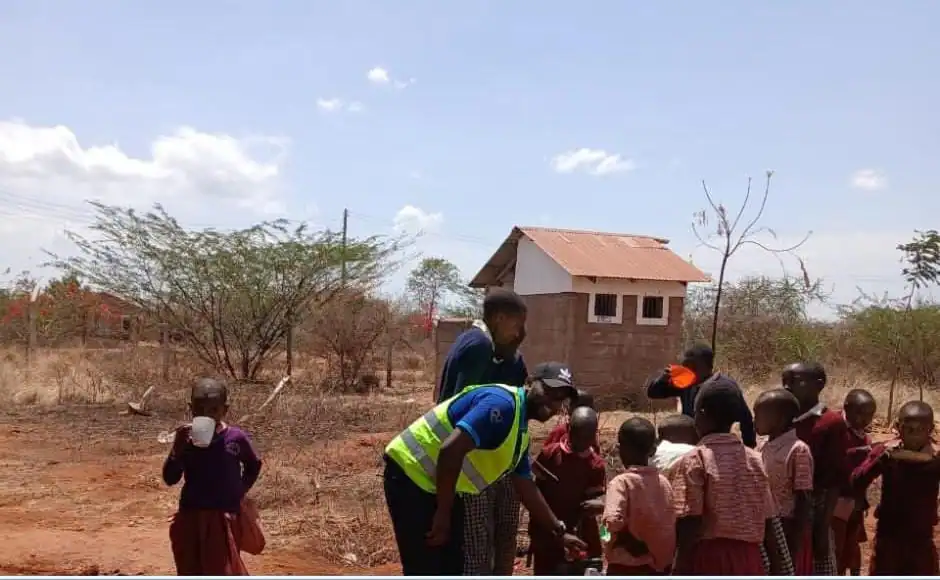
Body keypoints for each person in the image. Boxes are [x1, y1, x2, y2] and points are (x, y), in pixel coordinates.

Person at [382, 362, 587, 576]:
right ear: (529, 383)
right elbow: (451, 451)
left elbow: (525, 486)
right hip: (410, 475)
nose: (553, 402)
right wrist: (443, 513)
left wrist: (559, 532)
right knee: (425, 567)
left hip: (436, 486)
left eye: (560, 398)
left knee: (451, 567)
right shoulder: (502, 405)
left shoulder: (520, 433)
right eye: (550, 391)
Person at [433, 288, 529, 575]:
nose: (519, 333)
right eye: (516, 325)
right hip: (465, 458)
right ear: (499, 319)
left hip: (477, 458)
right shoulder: (478, 346)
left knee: (495, 538)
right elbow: (464, 403)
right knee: (476, 542)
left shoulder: (490, 349)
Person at [670, 378, 786, 575]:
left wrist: (678, 568)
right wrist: (777, 566)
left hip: (709, 559)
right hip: (750, 559)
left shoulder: (695, 459)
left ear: (701, 414)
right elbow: (768, 519)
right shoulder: (755, 459)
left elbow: (690, 521)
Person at [163, 378, 263, 576]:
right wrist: (176, 450)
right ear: (190, 408)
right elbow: (170, 478)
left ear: (225, 410)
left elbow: (254, 464)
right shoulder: (186, 440)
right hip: (191, 514)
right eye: (199, 409)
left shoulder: (235, 438)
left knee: (222, 569)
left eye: (213, 410)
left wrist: (240, 490)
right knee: (190, 569)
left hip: (224, 516)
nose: (206, 415)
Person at [851, 400, 940, 576]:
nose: (914, 435)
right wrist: (879, 462)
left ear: (930, 429)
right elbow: (856, 480)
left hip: (921, 538)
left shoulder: (936, 457)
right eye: (909, 429)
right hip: (888, 536)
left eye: (921, 430)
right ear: (898, 427)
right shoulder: (887, 453)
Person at [784, 361, 847, 575]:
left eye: (795, 381)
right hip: (783, 511)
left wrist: (822, 527)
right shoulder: (781, 418)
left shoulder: (830, 423)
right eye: (785, 381)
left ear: (818, 385)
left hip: (813, 514)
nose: (787, 386)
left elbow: (834, 481)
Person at [529, 407, 607, 575]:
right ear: (569, 430)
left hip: (578, 532)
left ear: (594, 435)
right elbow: (535, 488)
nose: (582, 441)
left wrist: (596, 506)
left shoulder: (595, 465)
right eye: (577, 435)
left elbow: (594, 500)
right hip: (547, 529)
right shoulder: (550, 454)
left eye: (587, 437)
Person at [602, 417, 676, 575]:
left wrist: (607, 538)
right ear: (653, 450)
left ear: (620, 449)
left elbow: (610, 522)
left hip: (625, 567)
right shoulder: (664, 483)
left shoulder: (620, 483)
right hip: (658, 567)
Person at [645, 344, 756, 448]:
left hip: (716, 446)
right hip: (689, 444)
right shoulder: (686, 383)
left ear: (707, 366)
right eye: (684, 366)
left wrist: (749, 447)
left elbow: (746, 419)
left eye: (692, 366)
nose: (687, 369)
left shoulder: (724, 388)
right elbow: (654, 393)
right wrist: (663, 379)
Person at [754, 388, 814, 575]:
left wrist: (795, 542)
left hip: (787, 527)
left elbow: (804, 497)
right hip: (764, 526)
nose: (755, 420)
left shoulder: (798, 450)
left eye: (760, 415)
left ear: (780, 418)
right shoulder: (761, 447)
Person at [832, 389, 876, 576]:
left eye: (870, 415)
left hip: (854, 500)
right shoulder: (835, 428)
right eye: (861, 413)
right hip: (835, 500)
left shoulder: (863, 436)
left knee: (851, 544)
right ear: (847, 408)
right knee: (836, 547)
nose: (865, 419)